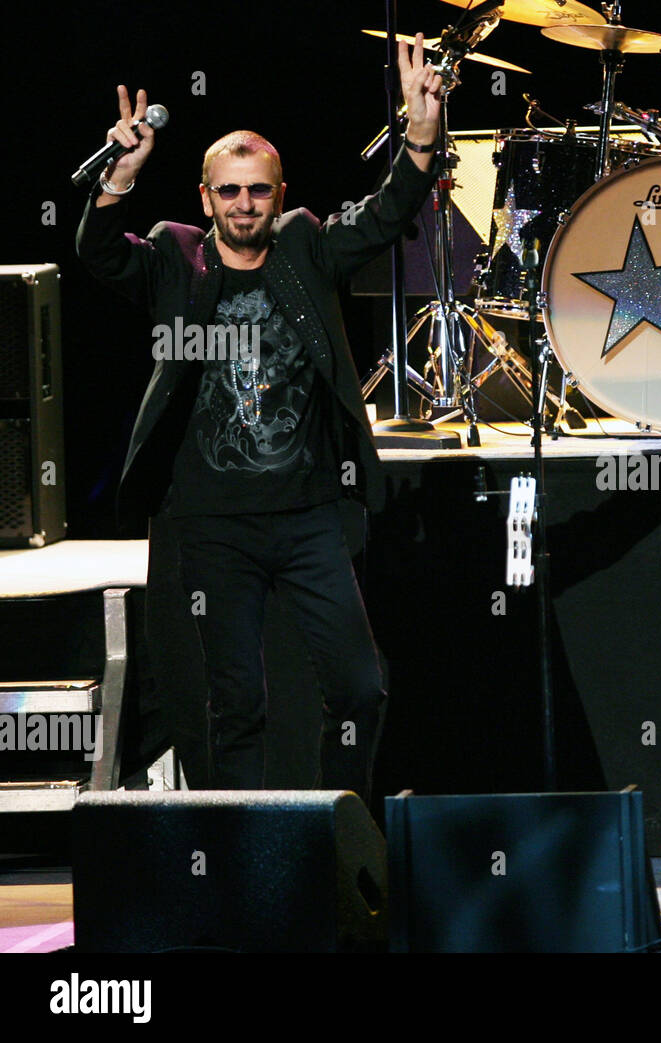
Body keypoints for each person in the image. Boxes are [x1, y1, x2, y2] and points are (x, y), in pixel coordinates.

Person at [76, 36, 446, 802]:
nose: (246, 204)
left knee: (360, 688)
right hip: (211, 525)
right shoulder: (176, 260)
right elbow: (99, 253)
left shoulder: (307, 245)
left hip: (308, 517)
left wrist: (420, 130)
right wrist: (118, 175)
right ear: (206, 197)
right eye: (230, 191)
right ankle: (242, 865)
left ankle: (347, 841)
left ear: (280, 195)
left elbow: (386, 215)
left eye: (259, 191)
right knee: (235, 707)